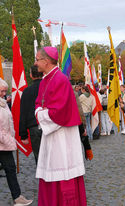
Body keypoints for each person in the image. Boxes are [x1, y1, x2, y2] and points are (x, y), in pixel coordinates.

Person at [34, 47, 86, 205]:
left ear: (46, 61)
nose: (35, 63)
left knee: (62, 171)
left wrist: (40, 114)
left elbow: (59, 113)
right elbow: (38, 104)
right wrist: (39, 111)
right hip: (51, 135)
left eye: (37, 59)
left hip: (62, 136)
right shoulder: (45, 79)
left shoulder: (60, 79)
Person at [0, 78, 33, 205]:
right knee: (10, 169)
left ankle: (17, 197)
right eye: (2, 91)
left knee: (11, 170)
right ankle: (17, 196)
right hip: (3, 143)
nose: (4, 93)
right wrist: (5, 139)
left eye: (5, 91)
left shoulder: (3, 104)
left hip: (5, 143)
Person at [19, 65, 43, 164]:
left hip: (35, 128)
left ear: (31, 75)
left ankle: (43, 178)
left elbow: (23, 113)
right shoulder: (49, 87)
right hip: (49, 125)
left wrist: (23, 135)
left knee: (39, 158)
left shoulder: (27, 91)